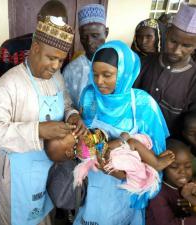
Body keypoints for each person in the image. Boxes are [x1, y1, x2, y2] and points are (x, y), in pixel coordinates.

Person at [0, 16, 87, 225]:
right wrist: (38, 130)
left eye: (61, 60)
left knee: (45, 215)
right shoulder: (9, 84)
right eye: (51, 58)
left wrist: (73, 115)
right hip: (19, 174)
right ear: (35, 48)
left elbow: (65, 102)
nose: (56, 66)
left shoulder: (56, 78)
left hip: (48, 168)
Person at [71, 40, 169, 225]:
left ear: (125, 72)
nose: (99, 81)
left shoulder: (142, 104)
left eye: (107, 75)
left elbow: (156, 157)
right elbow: (83, 137)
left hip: (127, 187)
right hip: (95, 180)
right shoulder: (90, 96)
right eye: (95, 74)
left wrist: (130, 180)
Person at [134, 3, 196, 140]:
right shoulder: (145, 63)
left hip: (170, 150)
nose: (176, 50)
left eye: (187, 45)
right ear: (166, 34)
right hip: (135, 139)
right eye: (173, 41)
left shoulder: (193, 80)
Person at [0, 0, 68, 76]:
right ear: (38, 20)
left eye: (61, 30)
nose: (54, 33)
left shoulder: (62, 51)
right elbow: (3, 82)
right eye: (49, 27)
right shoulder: (10, 49)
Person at [63, 4, 108, 109]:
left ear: (106, 33)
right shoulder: (71, 70)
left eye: (95, 36)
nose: (89, 42)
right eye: (84, 37)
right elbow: (66, 105)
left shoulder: (119, 66)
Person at [146, 139, 196, 225]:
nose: (183, 172)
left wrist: (189, 197)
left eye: (188, 166)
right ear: (163, 167)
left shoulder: (190, 186)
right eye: (174, 167)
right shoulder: (157, 194)